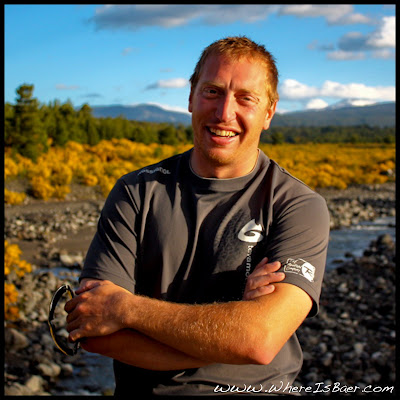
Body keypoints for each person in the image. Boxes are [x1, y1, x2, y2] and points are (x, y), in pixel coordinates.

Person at [65, 36, 330, 396]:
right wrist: (231, 332)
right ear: (190, 97)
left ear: (268, 111)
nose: (224, 113)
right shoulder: (137, 192)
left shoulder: (297, 205)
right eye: (212, 91)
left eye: (246, 98)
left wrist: (125, 308)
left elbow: (260, 341)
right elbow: (92, 331)